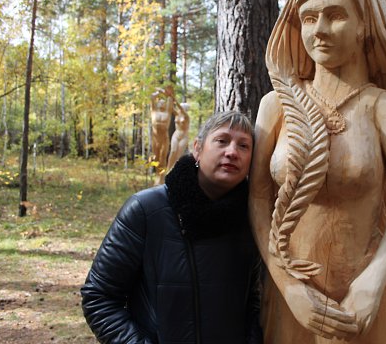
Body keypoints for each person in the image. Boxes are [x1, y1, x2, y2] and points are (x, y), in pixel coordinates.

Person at [249, 0, 386, 344]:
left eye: (336, 15)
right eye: (309, 18)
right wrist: (290, 288)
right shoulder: (276, 106)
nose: (320, 30)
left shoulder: (385, 108)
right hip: (294, 299)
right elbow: (259, 198)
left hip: (370, 298)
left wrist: (373, 281)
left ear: (363, 26)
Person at [81, 110, 262, 344]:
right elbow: (99, 297)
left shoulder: (253, 220)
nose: (232, 152)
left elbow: (255, 301)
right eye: (222, 140)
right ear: (197, 149)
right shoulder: (146, 210)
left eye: (244, 146)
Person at [151, 87, 174, 184]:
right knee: (156, 158)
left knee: (163, 158)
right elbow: (152, 98)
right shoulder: (154, 112)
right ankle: (157, 176)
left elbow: (170, 98)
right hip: (155, 139)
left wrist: (165, 92)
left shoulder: (167, 112)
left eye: (163, 102)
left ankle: (161, 178)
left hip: (164, 138)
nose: (161, 103)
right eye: (160, 102)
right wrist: (158, 91)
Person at [166, 101, 191, 174]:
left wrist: (175, 100)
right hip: (176, 135)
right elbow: (170, 108)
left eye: (182, 108)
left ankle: (175, 171)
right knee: (173, 151)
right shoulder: (177, 114)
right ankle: (168, 170)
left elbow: (180, 109)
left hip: (184, 137)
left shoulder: (186, 116)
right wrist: (170, 97)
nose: (180, 109)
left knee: (178, 155)